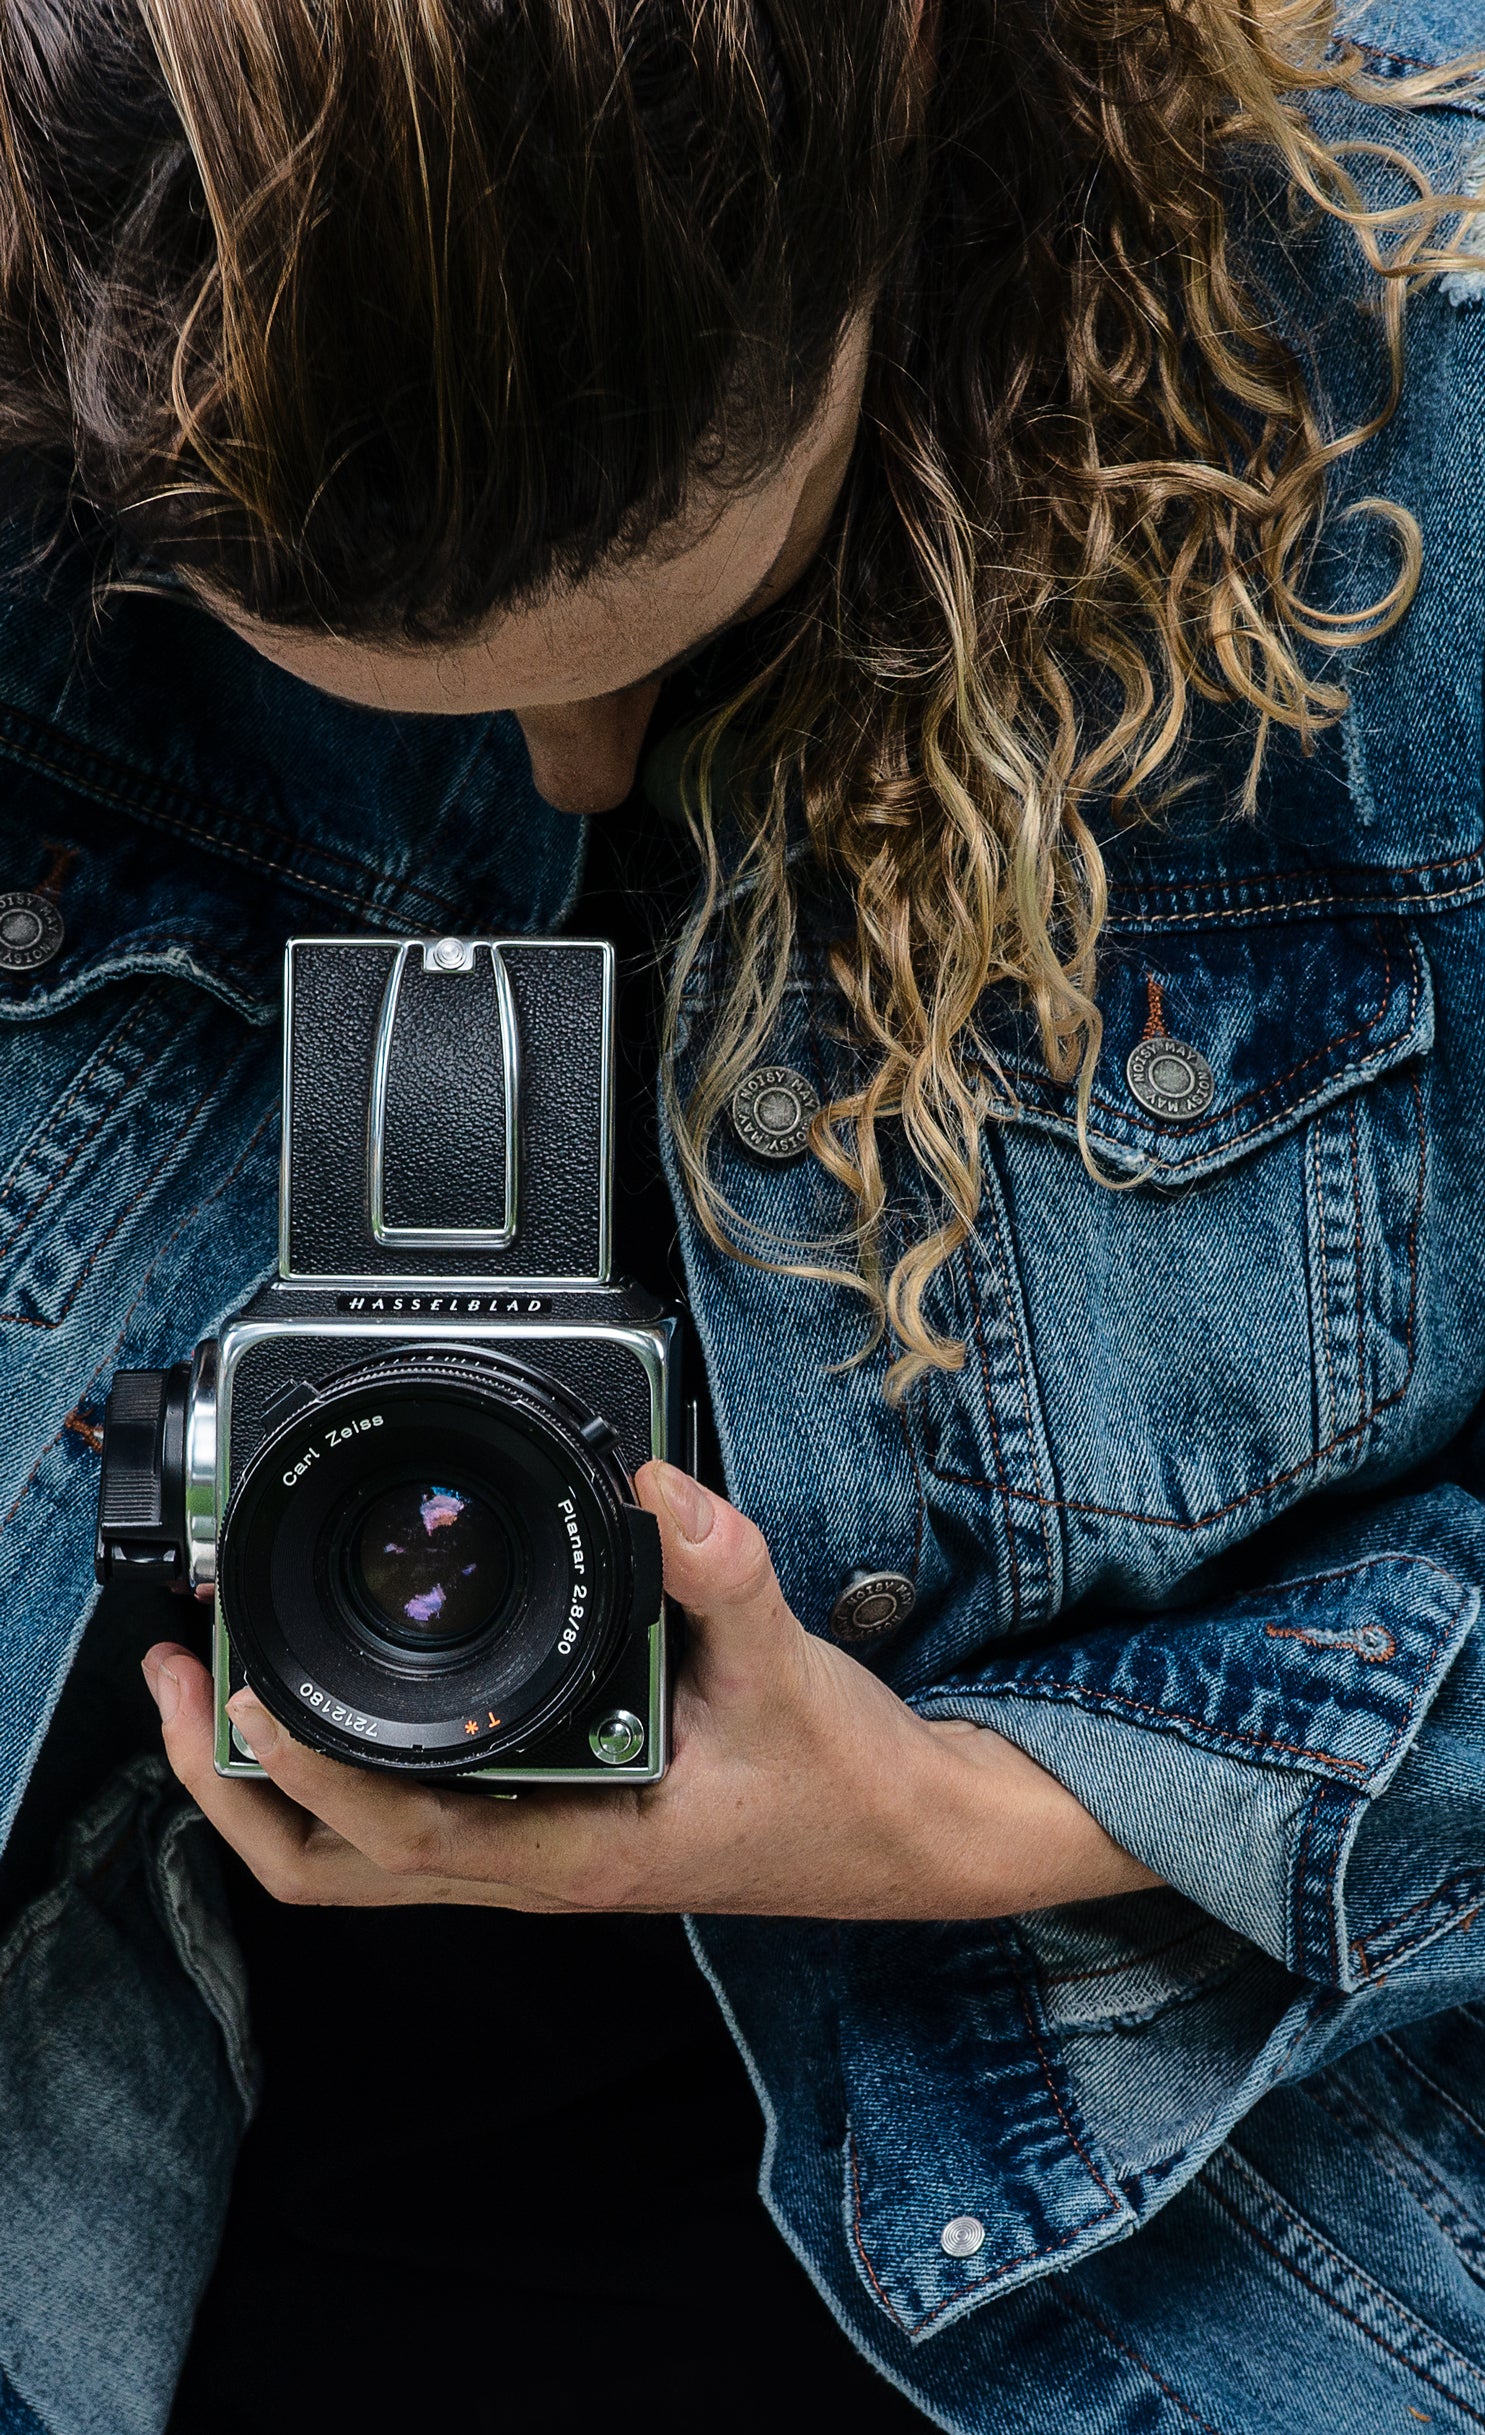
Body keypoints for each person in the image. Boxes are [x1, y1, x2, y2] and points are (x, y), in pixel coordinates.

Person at [0, 0, 1482, 2428]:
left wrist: (958, 1817)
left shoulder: (1409, 395)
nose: (576, 776)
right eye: (396, 698)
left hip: (1206, 2263)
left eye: (692, 628)